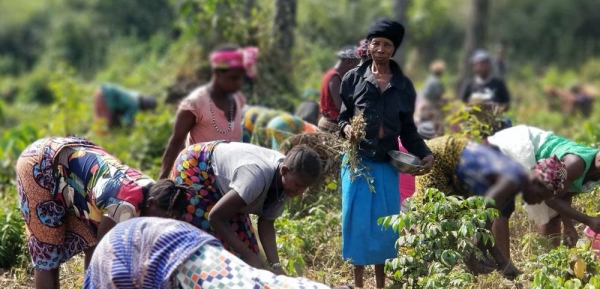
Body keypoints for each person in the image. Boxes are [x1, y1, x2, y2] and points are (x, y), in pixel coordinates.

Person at [15, 136, 189, 289]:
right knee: (48, 257)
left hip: (73, 166)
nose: (161, 227)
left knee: (90, 240)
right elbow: (102, 259)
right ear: (151, 204)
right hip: (41, 164)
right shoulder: (124, 208)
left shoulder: (156, 189)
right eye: (162, 220)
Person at [337, 19, 434, 289]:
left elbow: (409, 131)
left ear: (394, 49)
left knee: (385, 227)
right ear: (368, 45)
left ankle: (380, 284)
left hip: (386, 164)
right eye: (375, 43)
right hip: (358, 163)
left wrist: (424, 153)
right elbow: (342, 118)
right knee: (355, 222)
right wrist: (346, 130)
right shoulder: (353, 79)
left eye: (387, 44)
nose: (380, 48)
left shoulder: (404, 87)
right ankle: (358, 283)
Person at [412, 135, 562, 277]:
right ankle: (415, 271)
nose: (537, 202)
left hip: (456, 169)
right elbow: (481, 220)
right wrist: (500, 261)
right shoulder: (510, 180)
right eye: (540, 197)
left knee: (455, 226)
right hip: (438, 159)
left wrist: (492, 257)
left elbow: (486, 222)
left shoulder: (516, 179)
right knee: (432, 223)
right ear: (537, 184)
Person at [169, 141, 322, 275]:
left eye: (304, 188)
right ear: (284, 171)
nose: (299, 191)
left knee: (248, 251)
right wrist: (249, 256)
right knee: (209, 247)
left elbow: (266, 222)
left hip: (230, 185)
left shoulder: (289, 180)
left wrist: (276, 266)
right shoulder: (256, 177)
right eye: (298, 186)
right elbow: (216, 217)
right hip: (197, 167)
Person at [85, 217, 352, 289]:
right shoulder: (111, 272)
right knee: (255, 281)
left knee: (254, 282)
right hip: (176, 244)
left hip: (173, 244)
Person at [487, 125, 600, 247]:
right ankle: (503, 264)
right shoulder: (575, 163)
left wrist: (568, 226)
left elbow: (564, 193)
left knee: (552, 215)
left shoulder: (595, 175)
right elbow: (552, 199)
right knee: (503, 206)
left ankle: (547, 260)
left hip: (542, 164)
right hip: (520, 144)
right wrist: (588, 220)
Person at [159, 44, 258, 179]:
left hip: (228, 175)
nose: (239, 83)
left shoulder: (237, 98)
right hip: (197, 179)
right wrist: (162, 181)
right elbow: (176, 143)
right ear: (217, 73)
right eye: (234, 78)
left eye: (241, 78)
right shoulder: (195, 103)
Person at [317, 47, 361, 133]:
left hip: (326, 121)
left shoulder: (330, 74)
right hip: (332, 124)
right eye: (355, 64)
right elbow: (339, 105)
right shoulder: (334, 77)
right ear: (349, 62)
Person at [414, 60, 446, 137]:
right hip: (428, 104)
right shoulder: (436, 81)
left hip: (421, 102)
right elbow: (438, 95)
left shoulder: (429, 79)